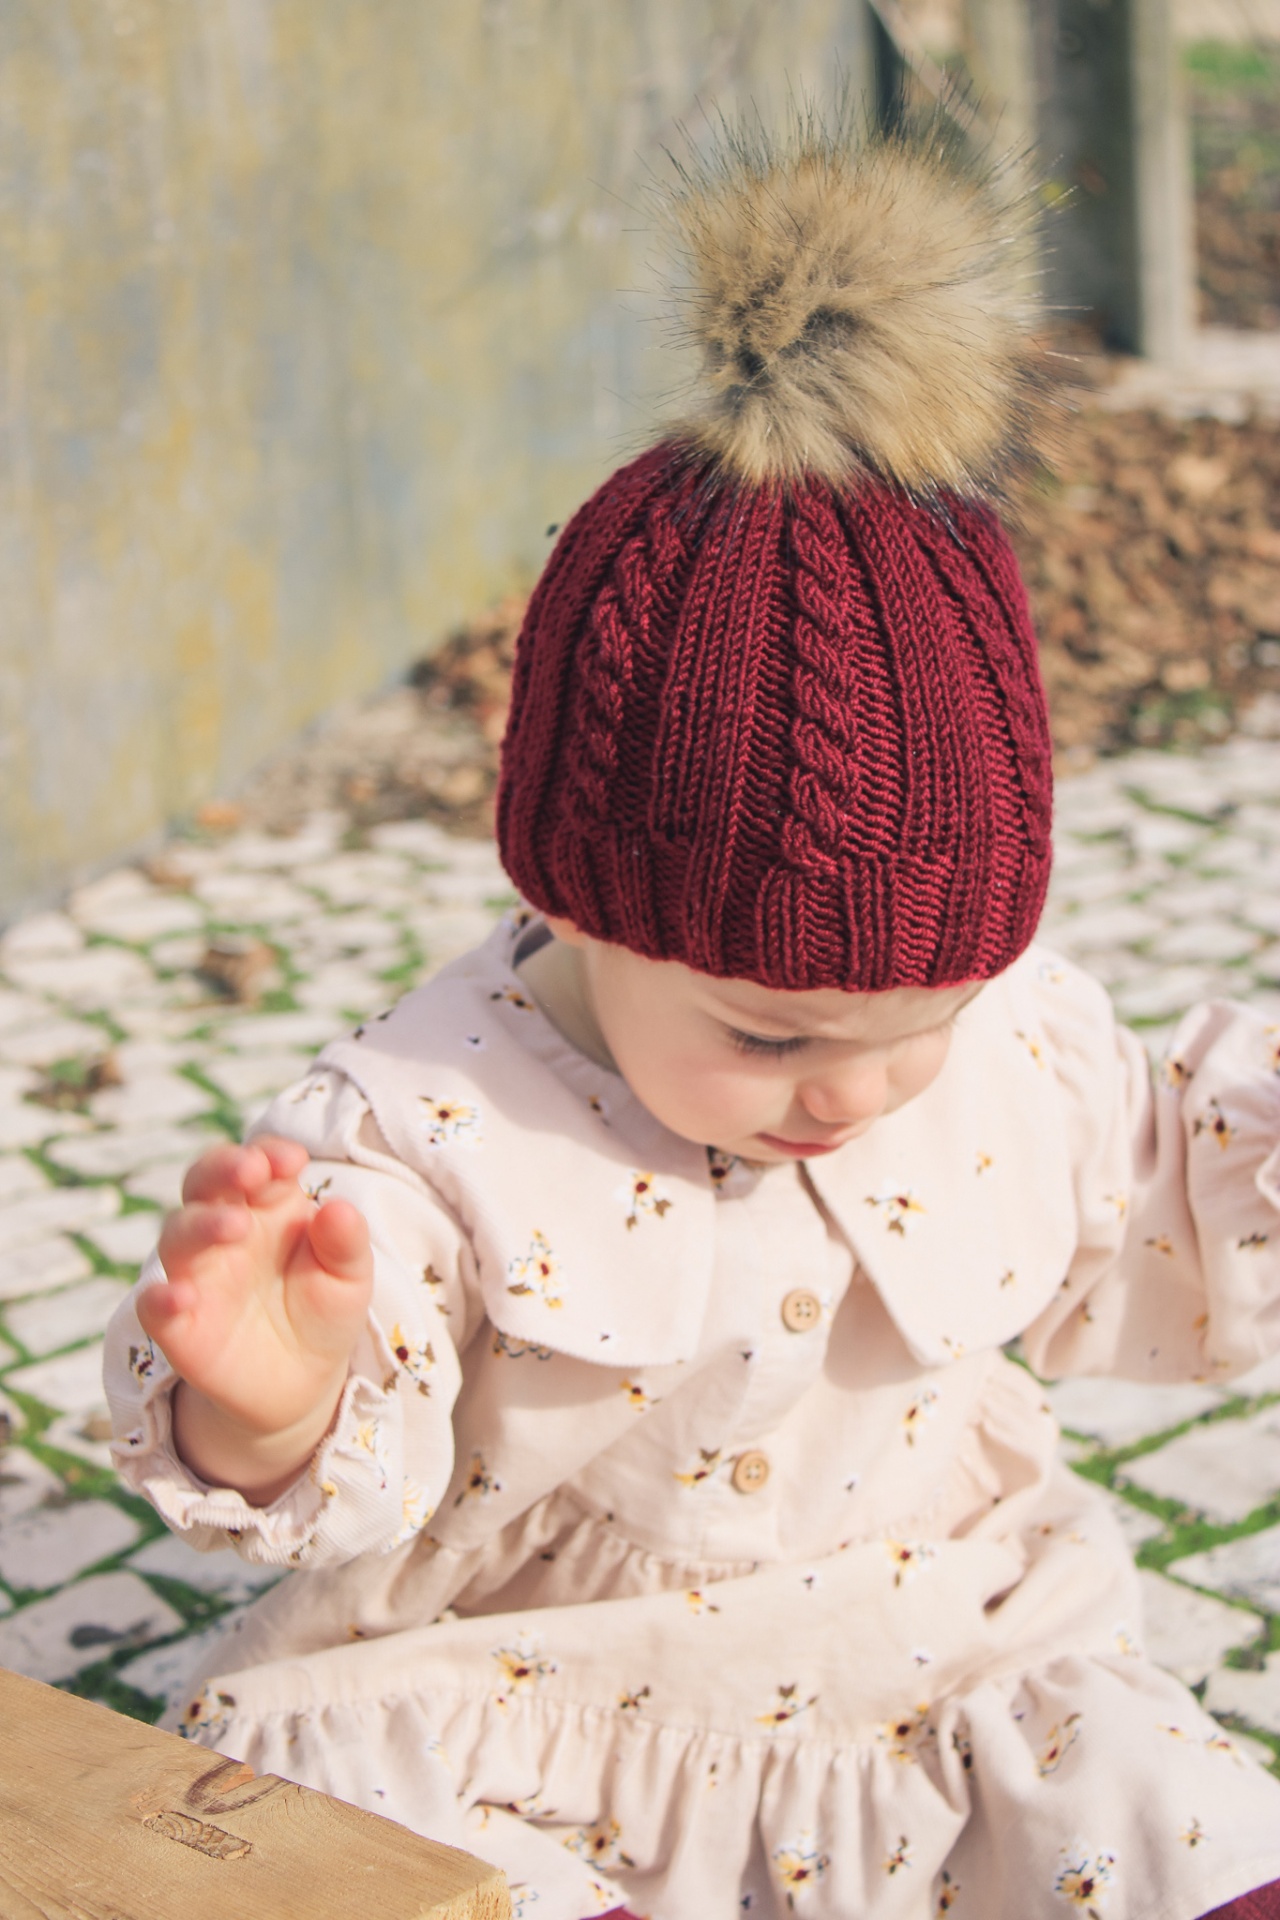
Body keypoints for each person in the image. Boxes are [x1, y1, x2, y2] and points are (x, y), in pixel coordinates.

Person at [105, 106, 1280, 1920]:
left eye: (931, 1016)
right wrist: (269, 1403)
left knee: (1172, 1815)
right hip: (538, 1699)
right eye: (777, 1035)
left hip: (942, 1659)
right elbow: (351, 1386)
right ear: (584, 898)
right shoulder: (436, 1126)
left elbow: (1164, 1178)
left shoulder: (1009, 1047)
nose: (863, 1093)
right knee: (382, 1861)